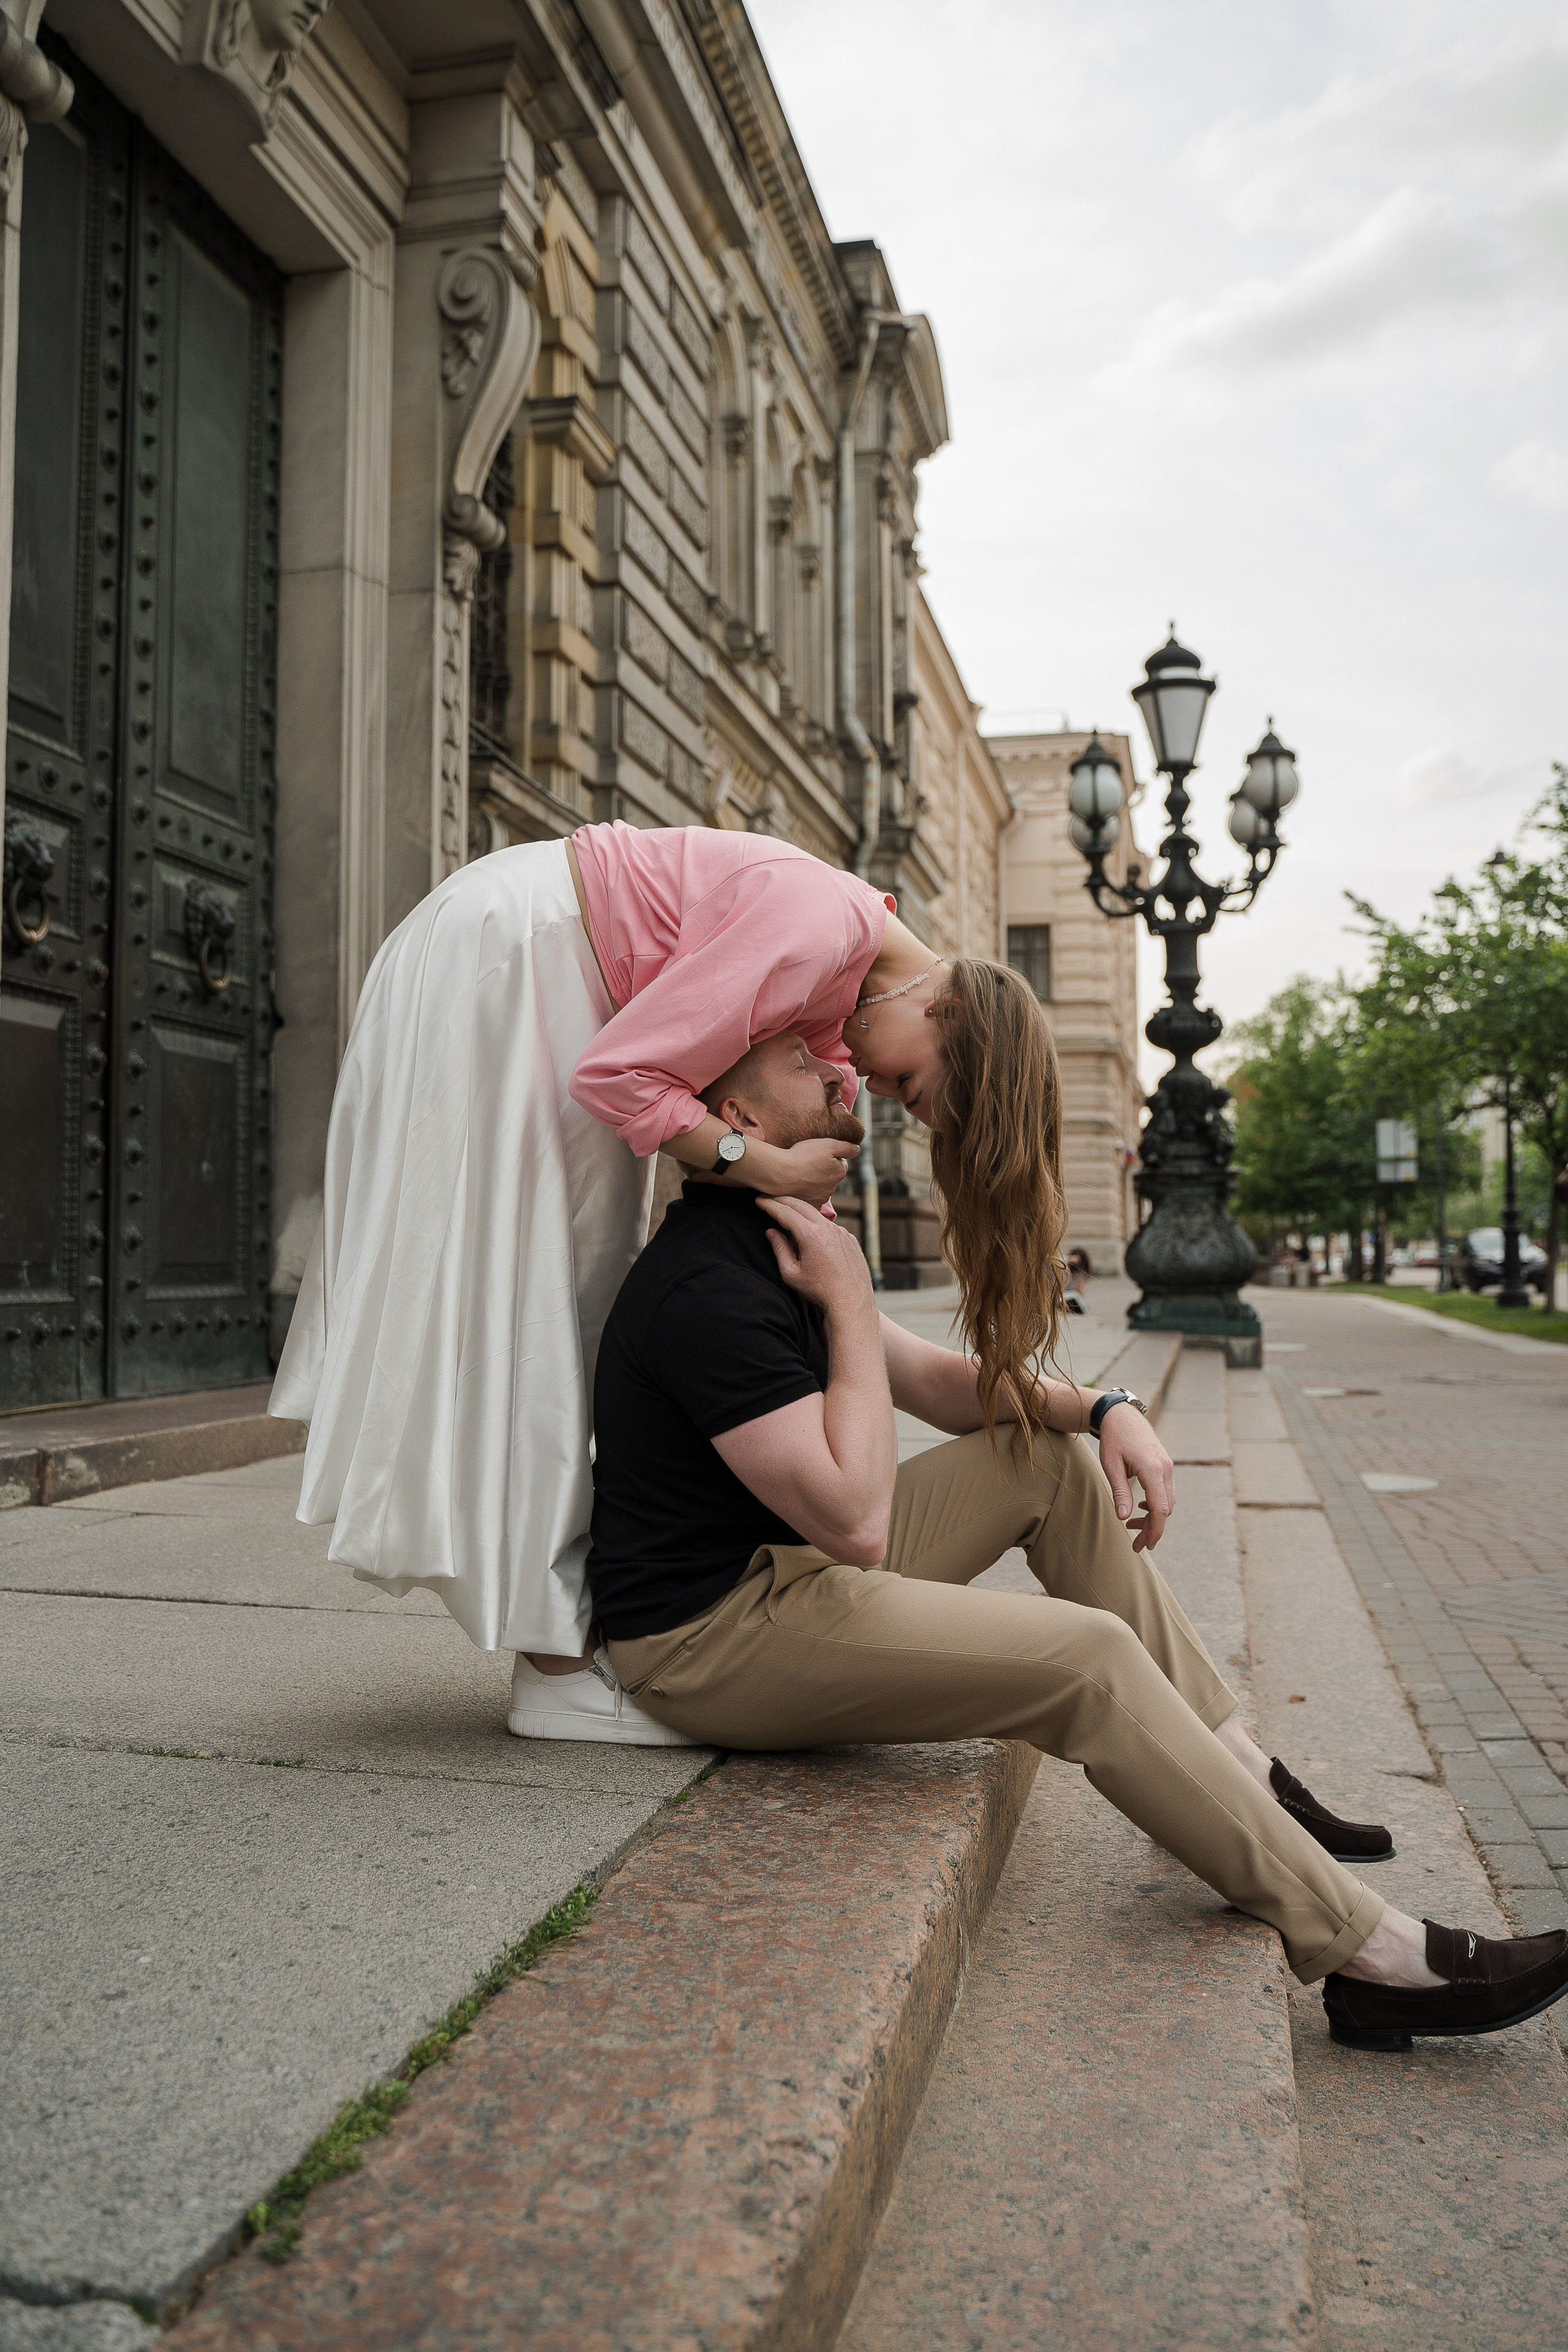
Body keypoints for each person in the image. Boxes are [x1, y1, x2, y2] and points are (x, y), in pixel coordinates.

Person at [584, 1030, 1568, 2051]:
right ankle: (1373, 1958)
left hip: (799, 1562)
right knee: (1089, 1661)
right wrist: (845, 1301)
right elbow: (859, 1523)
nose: (841, 1072)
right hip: (719, 1630)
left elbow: (935, 1385)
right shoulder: (712, 1284)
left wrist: (1102, 1407)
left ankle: (1233, 1764)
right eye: (801, 1064)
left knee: (1044, 1459)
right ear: (734, 1119)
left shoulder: (779, 1232)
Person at [271, 824, 1065, 1744]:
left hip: (559, 969)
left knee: (558, 1302)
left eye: (902, 1100)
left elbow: (786, 1136)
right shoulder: (819, 931)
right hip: (520, 955)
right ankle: (558, 1665)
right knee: (538, 1307)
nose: (883, 1094)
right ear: (950, 1012)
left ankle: (560, 1643)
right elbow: (619, 1075)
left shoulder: (839, 981)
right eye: (912, 1084)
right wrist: (767, 1168)